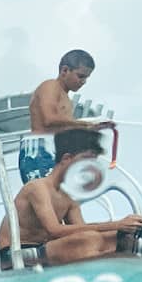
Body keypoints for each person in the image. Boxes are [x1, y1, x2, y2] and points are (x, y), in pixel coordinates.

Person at [0, 127, 142, 268]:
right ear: (67, 158)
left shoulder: (69, 195)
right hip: (18, 254)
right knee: (90, 240)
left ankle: (125, 266)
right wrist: (117, 224)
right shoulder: (37, 188)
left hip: (46, 249)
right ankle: (117, 263)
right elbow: (54, 231)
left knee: (120, 238)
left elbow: (80, 229)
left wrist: (129, 229)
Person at [20, 49, 106, 182]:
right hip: (41, 150)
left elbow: (62, 127)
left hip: (55, 151)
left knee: (58, 199)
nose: (83, 82)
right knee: (45, 198)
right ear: (65, 70)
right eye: (80, 76)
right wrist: (84, 124)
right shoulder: (50, 86)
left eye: (86, 78)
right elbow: (49, 119)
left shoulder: (66, 98)